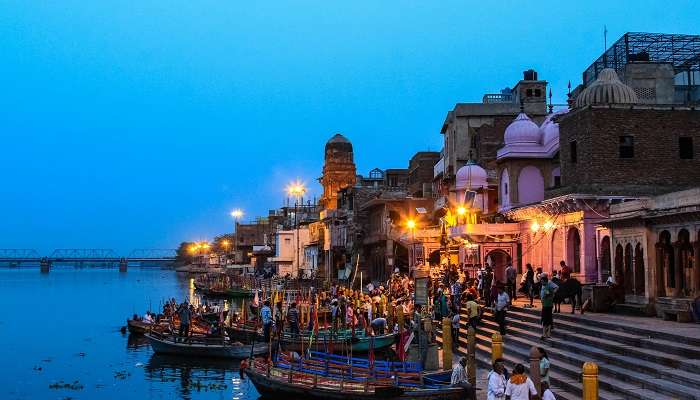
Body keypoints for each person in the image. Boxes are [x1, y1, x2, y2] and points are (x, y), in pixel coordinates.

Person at [540, 273, 558, 339]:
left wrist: (549, 295)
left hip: (546, 305)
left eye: (542, 281)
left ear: (545, 281)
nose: (541, 282)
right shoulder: (546, 286)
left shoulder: (547, 286)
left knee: (545, 319)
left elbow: (546, 295)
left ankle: (545, 334)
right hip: (548, 305)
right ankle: (548, 334)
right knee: (548, 319)